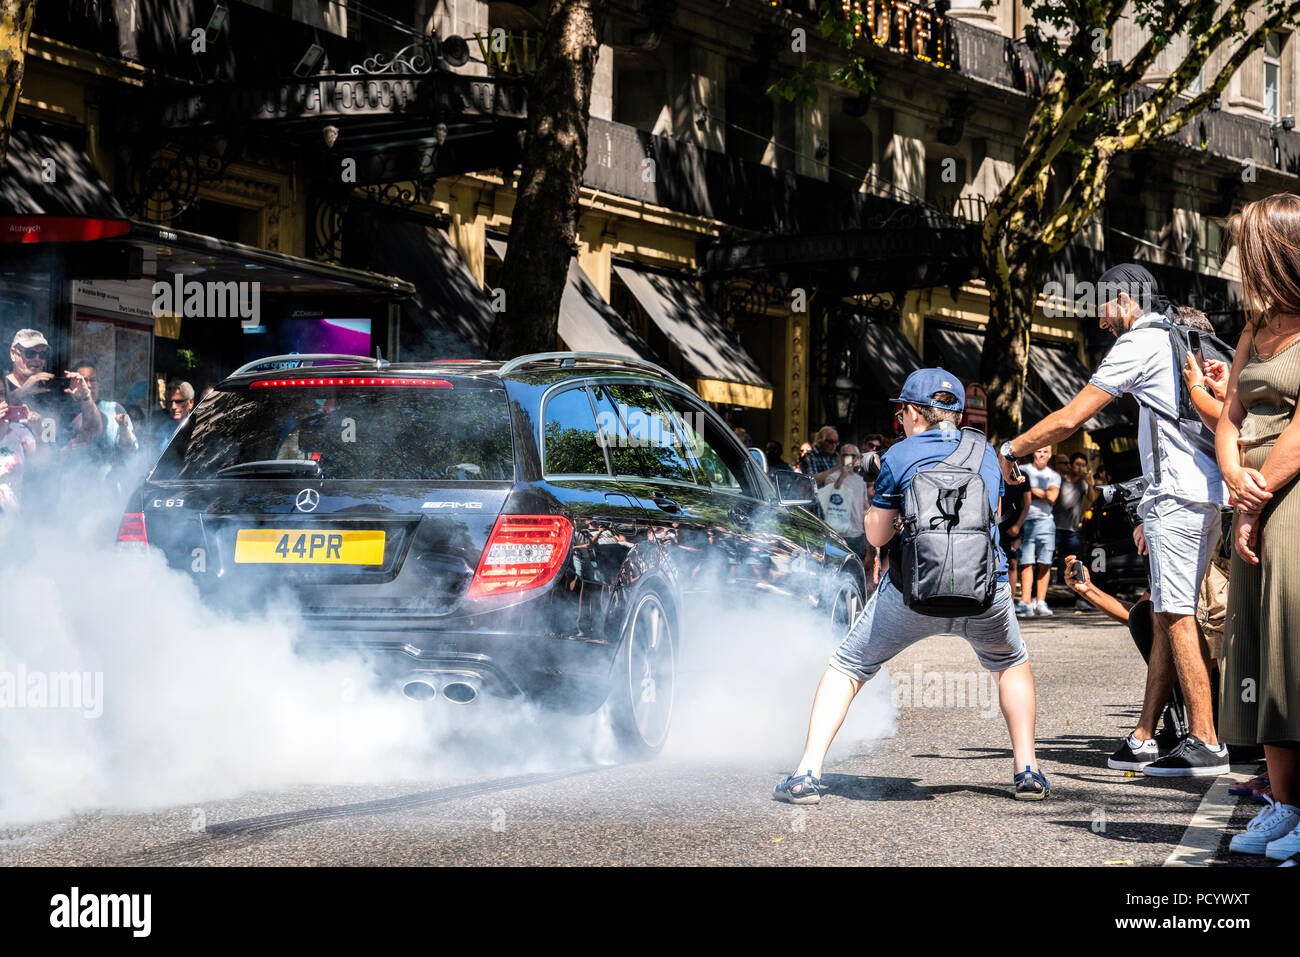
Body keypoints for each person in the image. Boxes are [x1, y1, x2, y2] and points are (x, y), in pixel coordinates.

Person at [996, 262, 1229, 778]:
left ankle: (1206, 741)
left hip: (1179, 499)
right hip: (1200, 495)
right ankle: (1146, 734)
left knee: (1173, 615)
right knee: (1171, 614)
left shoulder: (1140, 342)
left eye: (1103, 306)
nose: (1101, 322)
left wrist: (1009, 450)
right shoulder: (1173, 335)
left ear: (1124, 299)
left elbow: (1071, 417)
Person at [773, 369, 1047, 804]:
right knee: (1010, 662)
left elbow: (878, 538)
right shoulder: (985, 450)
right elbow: (991, 512)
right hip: (984, 590)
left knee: (847, 667)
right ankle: (1027, 772)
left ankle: (806, 774)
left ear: (915, 413)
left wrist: (877, 489)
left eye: (901, 412)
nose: (900, 420)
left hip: (912, 593)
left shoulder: (898, 457)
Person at [1214, 194, 1300, 860]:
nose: (1237, 260)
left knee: (1293, 644)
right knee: (1262, 648)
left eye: (1246, 246)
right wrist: (1230, 474)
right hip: (1252, 501)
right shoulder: (1256, 325)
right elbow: (1228, 417)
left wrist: (1254, 496)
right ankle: (1283, 802)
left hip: (1289, 502)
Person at [1015, 446, 1060, 618]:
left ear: (1050, 454)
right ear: (1033, 452)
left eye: (1045, 452)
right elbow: (1016, 490)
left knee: (1044, 563)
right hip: (1025, 521)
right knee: (1026, 563)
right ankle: (1025, 602)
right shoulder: (1023, 470)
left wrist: (1029, 488)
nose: (1041, 454)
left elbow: (1052, 498)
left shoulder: (1054, 475)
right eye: (1039, 451)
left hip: (1045, 523)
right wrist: (1042, 492)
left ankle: (1040, 601)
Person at [815, 443, 869, 560]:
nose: (849, 458)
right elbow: (832, 495)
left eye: (852, 456)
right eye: (845, 455)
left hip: (857, 534)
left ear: (857, 458)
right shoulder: (833, 478)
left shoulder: (861, 480)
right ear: (840, 458)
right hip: (837, 535)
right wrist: (842, 474)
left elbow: (864, 507)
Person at [1053, 452, 1096, 586]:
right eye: (1078, 464)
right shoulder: (1060, 480)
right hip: (1054, 527)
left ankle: (1067, 584)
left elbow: (1093, 499)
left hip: (1072, 529)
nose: (1081, 468)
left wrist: (1089, 482)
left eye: (1083, 465)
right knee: (1047, 560)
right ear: (1070, 466)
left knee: (1071, 559)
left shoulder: (1083, 484)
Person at [156, 380, 196, 453]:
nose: (173, 406)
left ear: (190, 402)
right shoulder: (163, 429)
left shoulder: (198, 426)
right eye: (170, 402)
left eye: (178, 401)